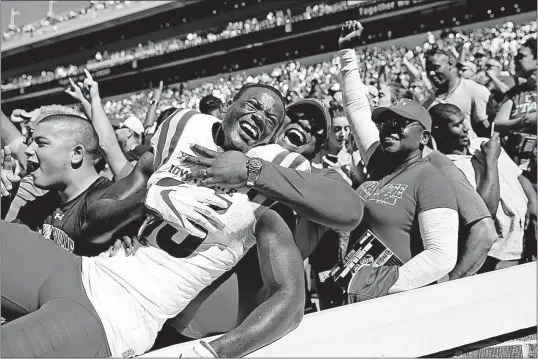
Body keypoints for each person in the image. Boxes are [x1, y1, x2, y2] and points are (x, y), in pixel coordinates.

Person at [2, 84, 363, 358]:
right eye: (252, 105)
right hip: (82, 269)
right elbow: (95, 222)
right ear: (230, 104)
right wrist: (149, 199)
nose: (258, 118)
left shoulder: (279, 190)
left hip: (116, 314)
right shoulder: (184, 132)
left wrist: (251, 170)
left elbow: (348, 213)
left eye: (270, 120)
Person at [339, 20, 496, 284]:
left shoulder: (438, 168)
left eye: (400, 124)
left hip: (404, 291)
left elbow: (484, 232)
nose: (389, 129)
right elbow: (357, 111)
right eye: (385, 123)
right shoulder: (381, 157)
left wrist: (446, 287)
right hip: (363, 290)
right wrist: (347, 54)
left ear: (424, 137)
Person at [430, 103, 537, 271]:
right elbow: (486, 210)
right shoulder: (449, 168)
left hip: (529, 236)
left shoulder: (482, 143)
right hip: (500, 253)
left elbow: (518, 175)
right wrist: (491, 160)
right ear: (439, 132)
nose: (465, 128)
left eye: (463, 122)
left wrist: (533, 203)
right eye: (457, 125)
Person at [0, 108, 112, 257]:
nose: (28, 150)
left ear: (76, 154)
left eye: (41, 143)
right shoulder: (40, 207)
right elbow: (7, 252)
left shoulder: (109, 204)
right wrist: (4, 202)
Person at [494, 38, 537, 185]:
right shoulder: (515, 93)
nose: (516, 60)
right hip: (522, 174)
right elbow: (497, 124)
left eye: (522, 56)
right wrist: (522, 121)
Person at [423, 47, 491, 139]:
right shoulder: (430, 100)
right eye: (428, 69)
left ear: (450, 64)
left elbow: (486, 130)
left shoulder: (474, 90)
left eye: (436, 67)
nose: (431, 73)